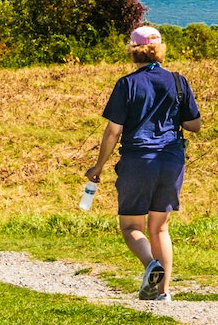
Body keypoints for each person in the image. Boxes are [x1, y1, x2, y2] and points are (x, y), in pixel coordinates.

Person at [86, 25, 202, 302]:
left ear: (133, 51)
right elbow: (194, 125)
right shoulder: (178, 81)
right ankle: (163, 293)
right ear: (160, 50)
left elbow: (113, 130)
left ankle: (151, 264)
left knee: (131, 227)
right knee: (160, 227)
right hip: (171, 161)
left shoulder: (126, 84)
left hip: (138, 160)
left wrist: (98, 167)